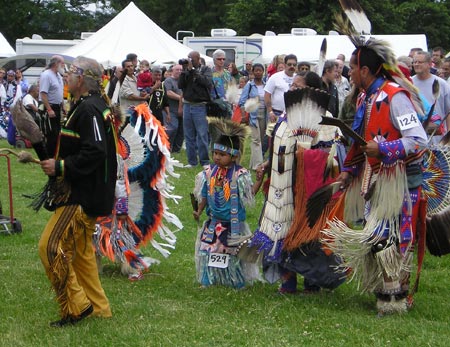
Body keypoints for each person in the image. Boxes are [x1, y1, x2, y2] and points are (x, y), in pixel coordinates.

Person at [323, 37, 428, 316]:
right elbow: (361, 140)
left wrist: (385, 148)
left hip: (400, 180)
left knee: (394, 238)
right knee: (379, 237)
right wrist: (348, 171)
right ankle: (386, 295)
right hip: (376, 179)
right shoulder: (365, 97)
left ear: (366, 71)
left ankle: (395, 299)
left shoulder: (395, 97)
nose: (349, 73)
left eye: (353, 68)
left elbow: (418, 140)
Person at [245, 71, 345, 294]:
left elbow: (332, 158)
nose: (291, 90)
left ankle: (312, 282)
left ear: (311, 90)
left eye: (297, 87)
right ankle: (287, 282)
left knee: (307, 236)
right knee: (280, 232)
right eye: (291, 86)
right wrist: (268, 164)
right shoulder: (285, 116)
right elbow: (280, 147)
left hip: (307, 191)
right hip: (281, 188)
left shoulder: (325, 118)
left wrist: (307, 155)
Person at [38, 56, 117, 327]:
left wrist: (60, 166)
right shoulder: (87, 106)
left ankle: (76, 306)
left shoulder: (89, 109)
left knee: (49, 247)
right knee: (82, 255)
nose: (66, 76)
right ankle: (98, 308)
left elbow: (95, 150)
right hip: (87, 191)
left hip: (81, 195)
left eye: (71, 72)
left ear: (81, 78)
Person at [193, 119, 263, 288]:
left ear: (234, 156)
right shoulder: (209, 173)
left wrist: (259, 181)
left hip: (233, 225)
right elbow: (204, 194)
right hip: (213, 223)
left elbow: (249, 194)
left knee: (233, 254)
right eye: (215, 153)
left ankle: (236, 280)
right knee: (208, 251)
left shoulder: (239, 175)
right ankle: (207, 279)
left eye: (222, 155)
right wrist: (199, 210)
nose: (217, 157)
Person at [178, 51, 213, 167]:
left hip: (200, 106)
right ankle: (192, 161)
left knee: (202, 134)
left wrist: (192, 71)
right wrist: (184, 71)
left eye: (192, 59)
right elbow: (180, 85)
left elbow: (207, 83)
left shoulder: (205, 69)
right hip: (187, 105)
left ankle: (204, 161)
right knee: (188, 135)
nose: (190, 61)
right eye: (188, 58)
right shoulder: (186, 71)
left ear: (198, 59)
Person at [412, 51, 450, 135]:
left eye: (420, 62)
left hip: (438, 137)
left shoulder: (442, 84)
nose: (416, 64)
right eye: (415, 62)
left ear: (429, 64)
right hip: (417, 138)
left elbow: (448, 112)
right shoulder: (409, 83)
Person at [239, 63, 267, 170]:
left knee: (261, 139)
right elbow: (242, 102)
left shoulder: (266, 85)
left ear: (263, 72)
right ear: (253, 72)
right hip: (253, 116)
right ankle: (258, 165)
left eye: (260, 70)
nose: (258, 72)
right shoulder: (249, 85)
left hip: (264, 115)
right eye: (256, 70)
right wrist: (243, 116)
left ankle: (252, 163)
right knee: (256, 140)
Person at [264, 54, 297, 135]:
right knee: (274, 139)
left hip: (292, 115)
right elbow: (267, 95)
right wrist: (270, 112)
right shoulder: (275, 77)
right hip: (276, 113)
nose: (291, 66)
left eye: (294, 64)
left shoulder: (298, 78)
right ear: (285, 65)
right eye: (289, 64)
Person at [39, 55, 65, 157]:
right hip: (49, 107)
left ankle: (55, 155)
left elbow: (59, 92)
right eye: (62, 63)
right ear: (56, 63)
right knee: (51, 134)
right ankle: (49, 156)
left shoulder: (58, 75)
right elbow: (43, 93)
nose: (64, 65)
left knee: (57, 133)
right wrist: (49, 109)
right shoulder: (46, 75)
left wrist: (62, 106)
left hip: (57, 107)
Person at [164, 64, 184, 153]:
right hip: (171, 110)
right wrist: (181, 98)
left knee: (182, 131)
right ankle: (169, 147)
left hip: (183, 110)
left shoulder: (183, 81)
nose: (179, 71)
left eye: (181, 70)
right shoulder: (168, 81)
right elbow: (168, 93)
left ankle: (176, 150)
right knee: (173, 128)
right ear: (172, 70)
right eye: (177, 70)